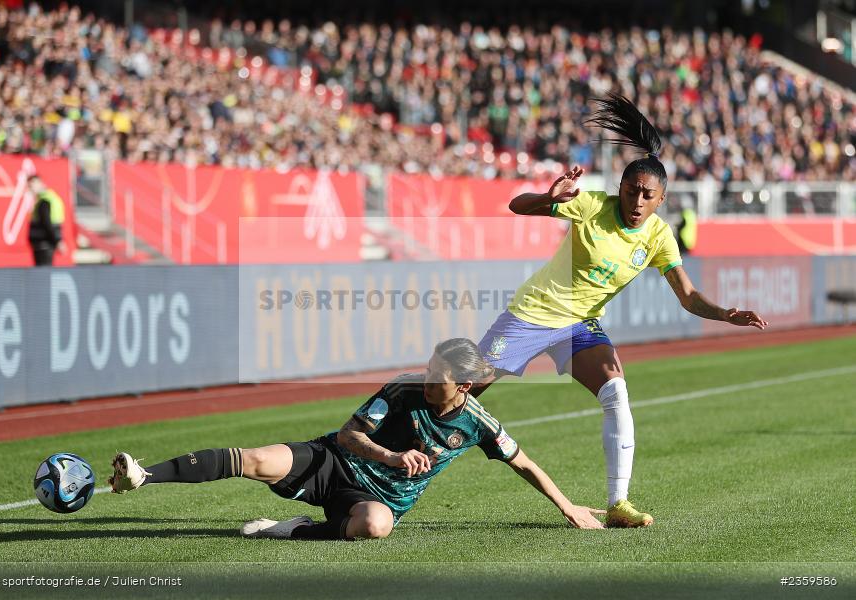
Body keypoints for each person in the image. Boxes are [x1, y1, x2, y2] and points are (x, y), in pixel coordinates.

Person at [474, 93, 768, 528]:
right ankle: (387, 446)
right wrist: (546, 197)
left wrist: (726, 313)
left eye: (647, 195)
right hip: (532, 316)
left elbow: (687, 296)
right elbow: (517, 206)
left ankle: (618, 504)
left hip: (578, 327)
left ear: (661, 200)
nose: (636, 201)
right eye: (631, 191)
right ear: (620, 188)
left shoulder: (659, 237)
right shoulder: (592, 205)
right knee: (457, 393)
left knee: (617, 393)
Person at [109, 338, 606, 539]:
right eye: (430, 369)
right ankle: (144, 474)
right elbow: (349, 435)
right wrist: (391, 454)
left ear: (465, 385)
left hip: (376, 499)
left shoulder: (476, 422)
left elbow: (524, 463)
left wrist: (569, 508)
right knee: (256, 459)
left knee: (375, 527)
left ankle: (289, 529)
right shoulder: (405, 386)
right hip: (334, 461)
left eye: (438, 376)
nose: (427, 378)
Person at [27, 175, 66, 266]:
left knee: (43, 274)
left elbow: (47, 223)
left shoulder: (44, 201)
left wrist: (57, 241)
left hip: (44, 244)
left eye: (31, 185)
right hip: (44, 244)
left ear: (40, 184)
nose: (30, 188)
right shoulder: (46, 198)